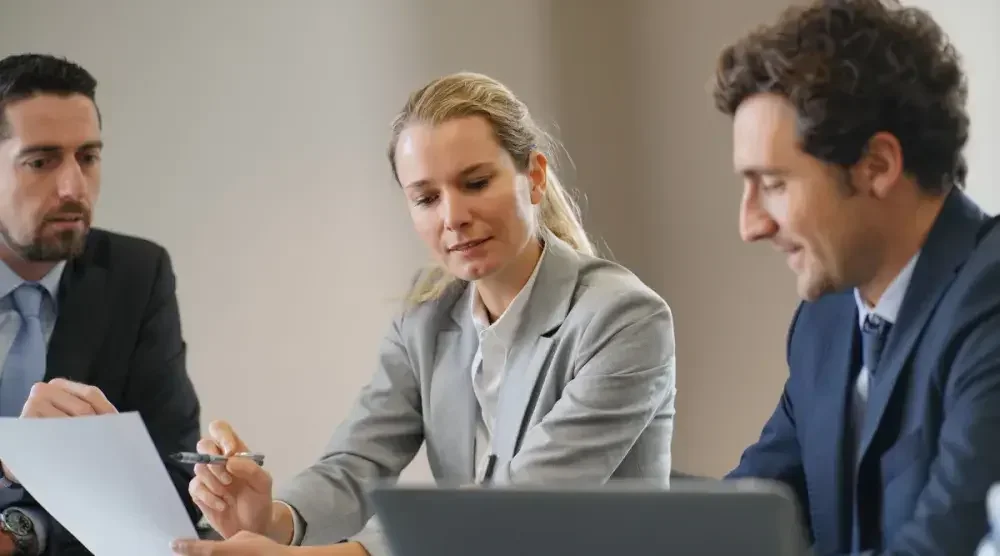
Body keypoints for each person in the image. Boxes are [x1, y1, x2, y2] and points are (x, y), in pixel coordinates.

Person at [170, 71, 677, 556]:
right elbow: (359, 461)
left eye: (476, 183)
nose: (453, 216)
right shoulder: (427, 316)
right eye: (427, 197)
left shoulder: (624, 319)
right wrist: (273, 519)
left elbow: (521, 508)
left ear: (535, 177)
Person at [712, 0, 1000, 554]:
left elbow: (946, 545)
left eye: (772, 183)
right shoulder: (825, 321)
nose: (750, 225)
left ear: (878, 166)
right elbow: (747, 514)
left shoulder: (991, 297)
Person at [0, 54, 203, 555]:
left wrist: (19, 535)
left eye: (87, 158)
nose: (73, 188)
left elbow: (175, 478)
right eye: (41, 161)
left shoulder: (137, 274)